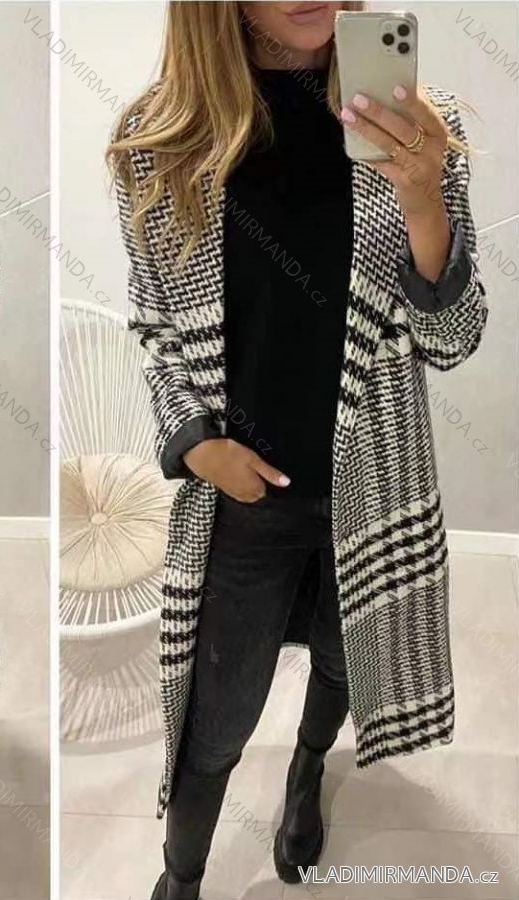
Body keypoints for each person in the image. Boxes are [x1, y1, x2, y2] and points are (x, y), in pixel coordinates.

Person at [106, 3, 487, 897]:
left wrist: (424, 197)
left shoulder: (421, 126)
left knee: (345, 658)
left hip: (376, 484)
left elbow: (453, 338)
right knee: (213, 718)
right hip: (244, 496)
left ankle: (309, 767)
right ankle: (181, 878)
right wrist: (194, 443)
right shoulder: (159, 140)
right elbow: (154, 323)